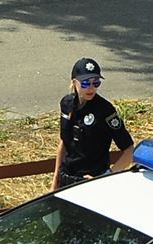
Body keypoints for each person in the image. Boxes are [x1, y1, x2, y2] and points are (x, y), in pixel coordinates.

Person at [51, 57, 134, 191]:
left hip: (91, 182)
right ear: (74, 82)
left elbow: (129, 150)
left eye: (96, 83)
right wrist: (55, 182)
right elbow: (64, 143)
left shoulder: (105, 110)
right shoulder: (66, 104)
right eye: (85, 83)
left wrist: (107, 177)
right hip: (65, 179)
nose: (91, 88)